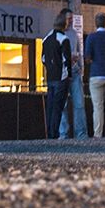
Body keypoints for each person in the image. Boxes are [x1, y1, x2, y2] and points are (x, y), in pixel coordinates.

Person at [41, 8, 76, 140]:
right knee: (58, 107)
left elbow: (43, 58)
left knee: (50, 106)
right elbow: (66, 60)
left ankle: (49, 132)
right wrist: (69, 75)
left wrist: (50, 67)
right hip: (61, 77)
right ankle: (54, 132)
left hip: (50, 76)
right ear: (64, 25)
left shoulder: (46, 39)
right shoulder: (64, 39)